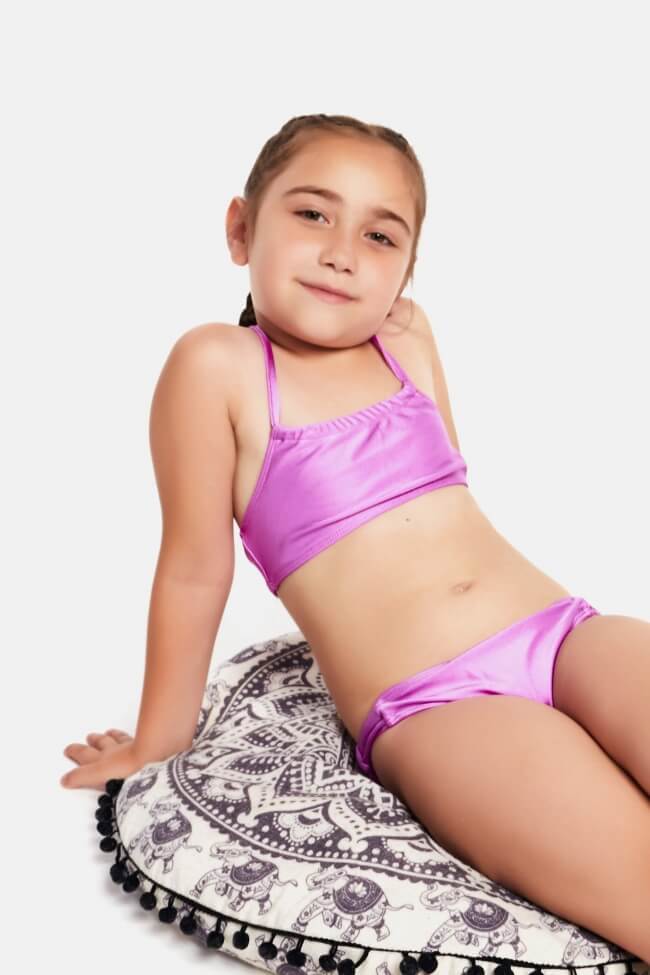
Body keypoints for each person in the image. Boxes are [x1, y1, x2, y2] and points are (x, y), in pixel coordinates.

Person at [60, 113, 650, 964]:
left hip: (565, 634)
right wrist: (158, 738)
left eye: (380, 235)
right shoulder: (219, 366)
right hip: (438, 701)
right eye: (312, 214)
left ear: (406, 268)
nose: (342, 252)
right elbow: (193, 570)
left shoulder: (406, 336)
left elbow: (447, 499)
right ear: (240, 228)